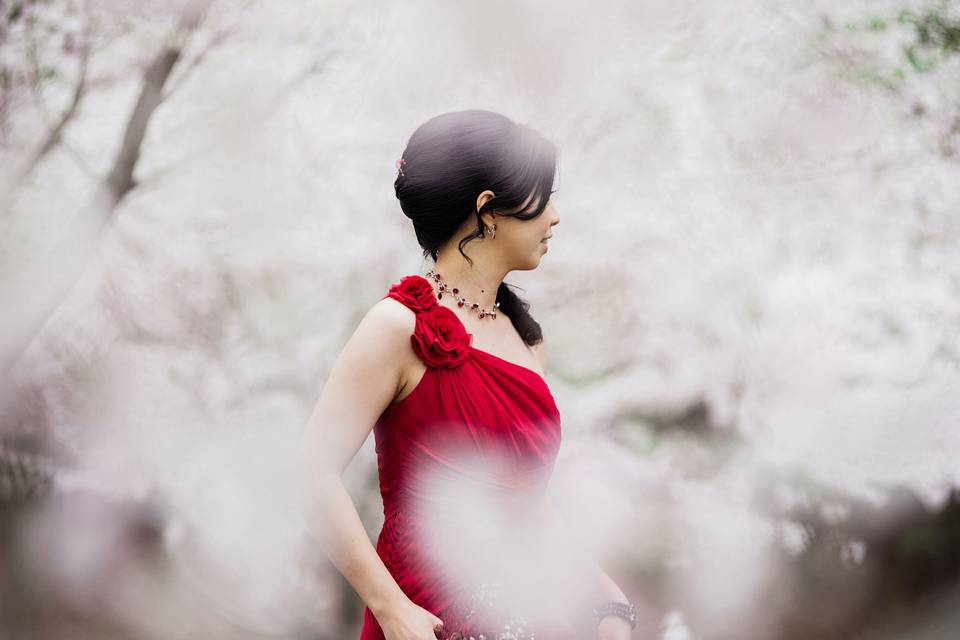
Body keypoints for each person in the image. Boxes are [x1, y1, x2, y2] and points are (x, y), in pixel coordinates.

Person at [297, 110, 637, 640]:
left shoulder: (528, 340)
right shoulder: (397, 326)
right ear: (488, 210)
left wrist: (604, 596)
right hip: (426, 619)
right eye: (542, 199)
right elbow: (311, 474)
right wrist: (390, 607)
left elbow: (528, 502)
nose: (556, 217)